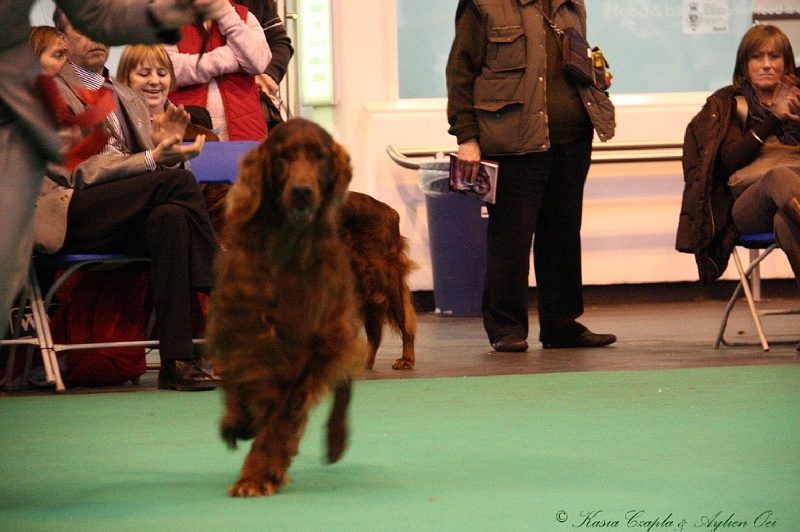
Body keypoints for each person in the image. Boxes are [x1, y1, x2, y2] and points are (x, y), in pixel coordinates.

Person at [0, 0, 230, 343]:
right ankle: (229, 292)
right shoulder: (48, 87)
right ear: (63, 38)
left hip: (122, 211)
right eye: (82, 27)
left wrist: (166, 153)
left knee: (171, 217)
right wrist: (154, 160)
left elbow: (149, 171)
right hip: (68, 210)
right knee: (177, 182)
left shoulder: (128, 97)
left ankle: (180, 358)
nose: (95, 35)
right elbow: (75, 171)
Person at [445, 0, 617, 352]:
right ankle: (505, 327)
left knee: (563, 236)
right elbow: (459, 73)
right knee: (511, 239)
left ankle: (561, 325)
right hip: (512, 139)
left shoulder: (572, 5)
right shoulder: (483, 5)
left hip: (572, 139)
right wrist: (467, 137)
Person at [677, 24, 800, 350]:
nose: (766, 64)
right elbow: (730, 160)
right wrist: (774, 118)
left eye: (775, 56)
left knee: (784, 221)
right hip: (748, 204)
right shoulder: (731, 104)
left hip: (791, 204)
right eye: (757, 57)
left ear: (787, 63)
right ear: (744, 65)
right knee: (779, 177)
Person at [166, 0, 271, 141]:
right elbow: (169, 69)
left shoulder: (244, 16)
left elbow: (259, 62)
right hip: (186, 131)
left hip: (246, 132)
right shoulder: (168, 18)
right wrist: (229, 59)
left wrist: (226, 13)